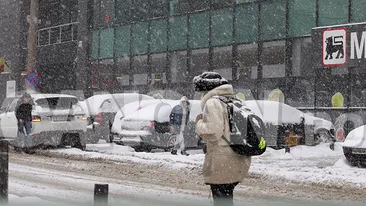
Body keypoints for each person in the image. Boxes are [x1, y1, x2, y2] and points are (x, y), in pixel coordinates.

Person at [194, 72, 251, 206]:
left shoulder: (213, 103)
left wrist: (199, 123)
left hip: (222, 161)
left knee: (221, 200)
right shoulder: (235, 101)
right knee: (226, 197)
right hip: (238, 155)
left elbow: (213, 132)